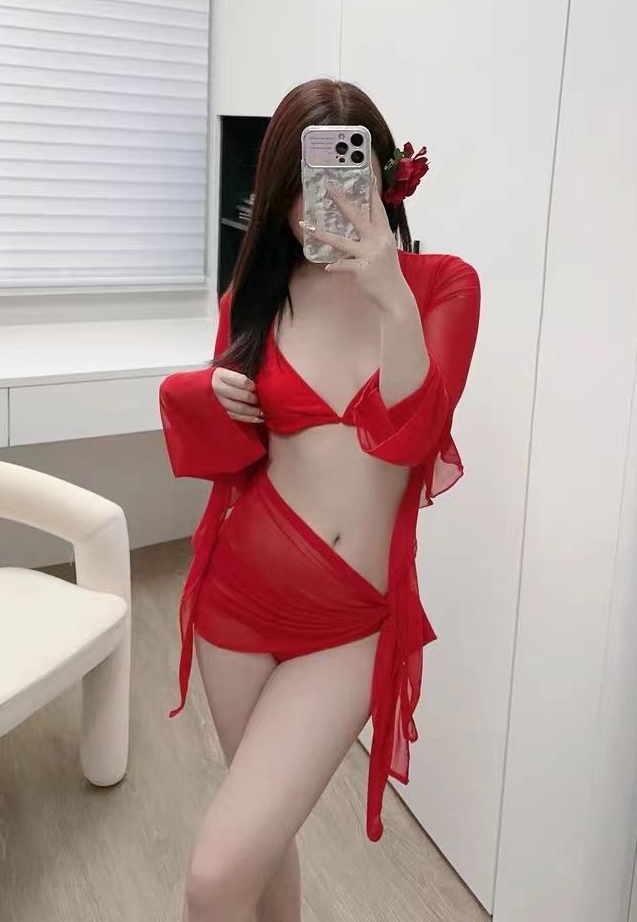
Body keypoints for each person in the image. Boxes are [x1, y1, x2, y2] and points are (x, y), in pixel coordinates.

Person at [159, 78, 480, 922]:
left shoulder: (442, 287)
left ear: (381, 180)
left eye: (345, 180)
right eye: (304, 188)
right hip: (236, 603)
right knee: (259, 849)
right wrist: (207, 392)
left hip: (349, 625)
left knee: (215, 875)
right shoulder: (255, 298)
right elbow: (231, 456)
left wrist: (389, 292)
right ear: (278, 195)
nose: (322, 208)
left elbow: (414, 435)